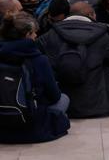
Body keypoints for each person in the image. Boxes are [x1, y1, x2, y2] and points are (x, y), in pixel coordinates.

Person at [37, 2, 109, 119]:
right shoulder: (102, 35)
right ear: (91, 14)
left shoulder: (49, 35)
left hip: (62, 105)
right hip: (101, 105)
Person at [0, 12, 70, 144]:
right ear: (27, 35)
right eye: (33, 33)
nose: (36, 35)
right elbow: (54, 96)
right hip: (31, 124)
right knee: (64, 99)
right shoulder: (38, 60)